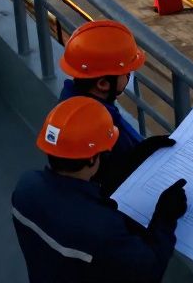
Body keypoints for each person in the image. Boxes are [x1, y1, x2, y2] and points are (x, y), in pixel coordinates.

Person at [11, 97, 187, 283]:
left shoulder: (26, 187)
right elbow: (150, 269)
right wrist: (165, 219)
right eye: (105, 152)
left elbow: (78, 196)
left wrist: (136, 156)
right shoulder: (102, 227)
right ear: (91, 159)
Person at [58, 20, 173, 192]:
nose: (129, 74)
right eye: (125, 72)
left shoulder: (73, 101)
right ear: (103, 84)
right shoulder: (97, 127)